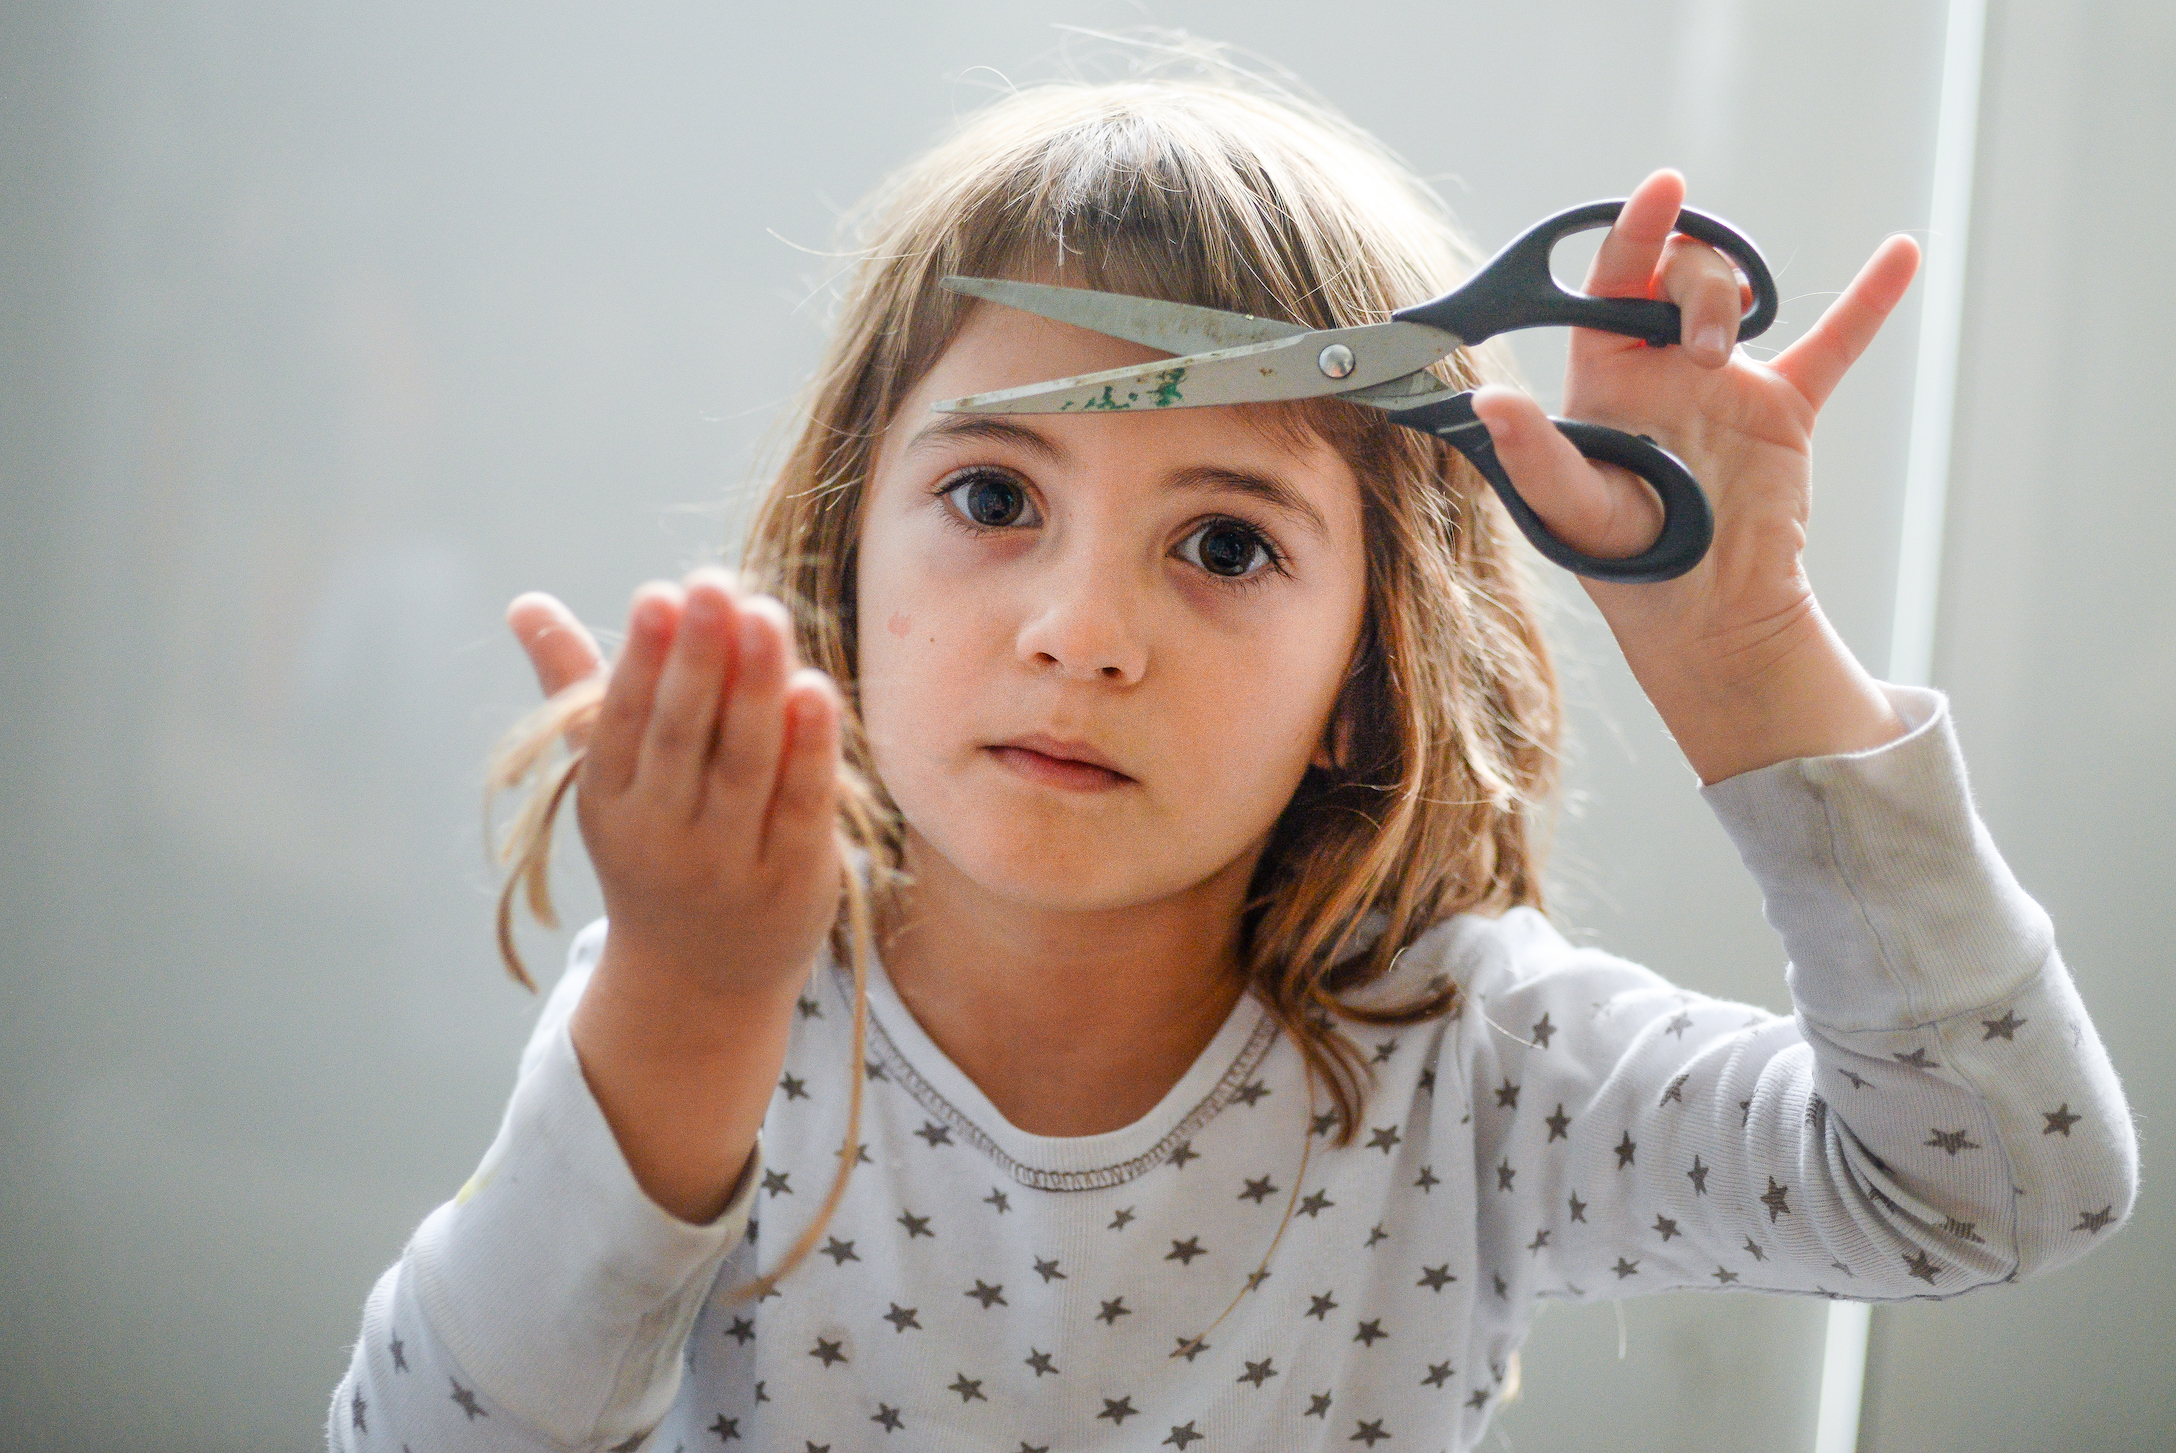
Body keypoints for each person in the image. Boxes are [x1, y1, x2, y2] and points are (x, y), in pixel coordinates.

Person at [330, 67, 2136, 1453]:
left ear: (1364, 674)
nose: (1081, 628)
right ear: (843, 563)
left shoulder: (1474, 1062)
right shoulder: (709, 1005)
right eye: (991, 497)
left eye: (1224, 544)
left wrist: (1741, 650)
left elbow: (2004, 1180)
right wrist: (682, 1008)